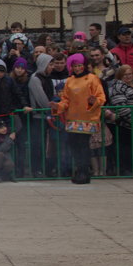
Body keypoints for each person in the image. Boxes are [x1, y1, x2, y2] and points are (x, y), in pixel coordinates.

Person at [52, 53, 105, 184]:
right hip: (72, 119)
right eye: (75, 66)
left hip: (87, 117)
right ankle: (79, 171)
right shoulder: (69, 81)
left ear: (84, 66)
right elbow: (66, 100)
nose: (77, 68)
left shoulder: (92, 79)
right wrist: (57, 106)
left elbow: (101, 97)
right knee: (74, 145)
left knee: (83, 145)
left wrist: (94, 101)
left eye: (80, 65)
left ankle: (84, 172)